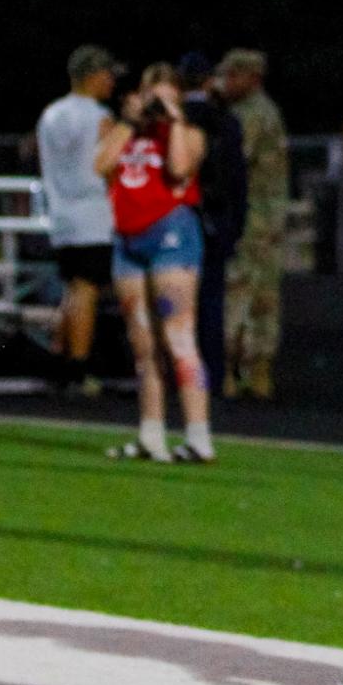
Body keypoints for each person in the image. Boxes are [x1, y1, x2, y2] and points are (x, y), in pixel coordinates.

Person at [95, 62, 213, 464]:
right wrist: (131, 121)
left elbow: (180, 167)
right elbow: (101, 165)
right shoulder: (122, 130)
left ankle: (198, 436)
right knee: (143, 345)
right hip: (128, 239)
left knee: (179, 339)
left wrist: (174, 118)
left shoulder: (189, 133)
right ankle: (151, 433)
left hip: (171, 235)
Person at [35, 44, 119, 392]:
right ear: (93, 76)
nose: (111, 81)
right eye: (107, 74)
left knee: (73, 289)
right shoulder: (98, 116)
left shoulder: (52, 113)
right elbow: (111, 164)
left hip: (60, 212)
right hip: (92, 213)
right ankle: (78, 367)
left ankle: (61, 357)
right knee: (86, 289)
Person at [217, 48, 288, 400]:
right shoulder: (264, 110)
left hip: (252, 219)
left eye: (233, 75)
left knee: (239, 293)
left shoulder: (250, 114)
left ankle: (232, 369)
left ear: (252, 78)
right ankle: (259, 372)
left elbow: (233, 160)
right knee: (263, 298)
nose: (225, 82)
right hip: (267, 220)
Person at [176, 52, 248, 396]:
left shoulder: (175, 118)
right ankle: (213, 378)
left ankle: (178, 378)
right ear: (209, 80)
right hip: (216, 218)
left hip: (177, 217)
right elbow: (237, 179)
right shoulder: (225, 120)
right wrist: (236, 225)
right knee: (211, 303)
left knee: (176, 301)